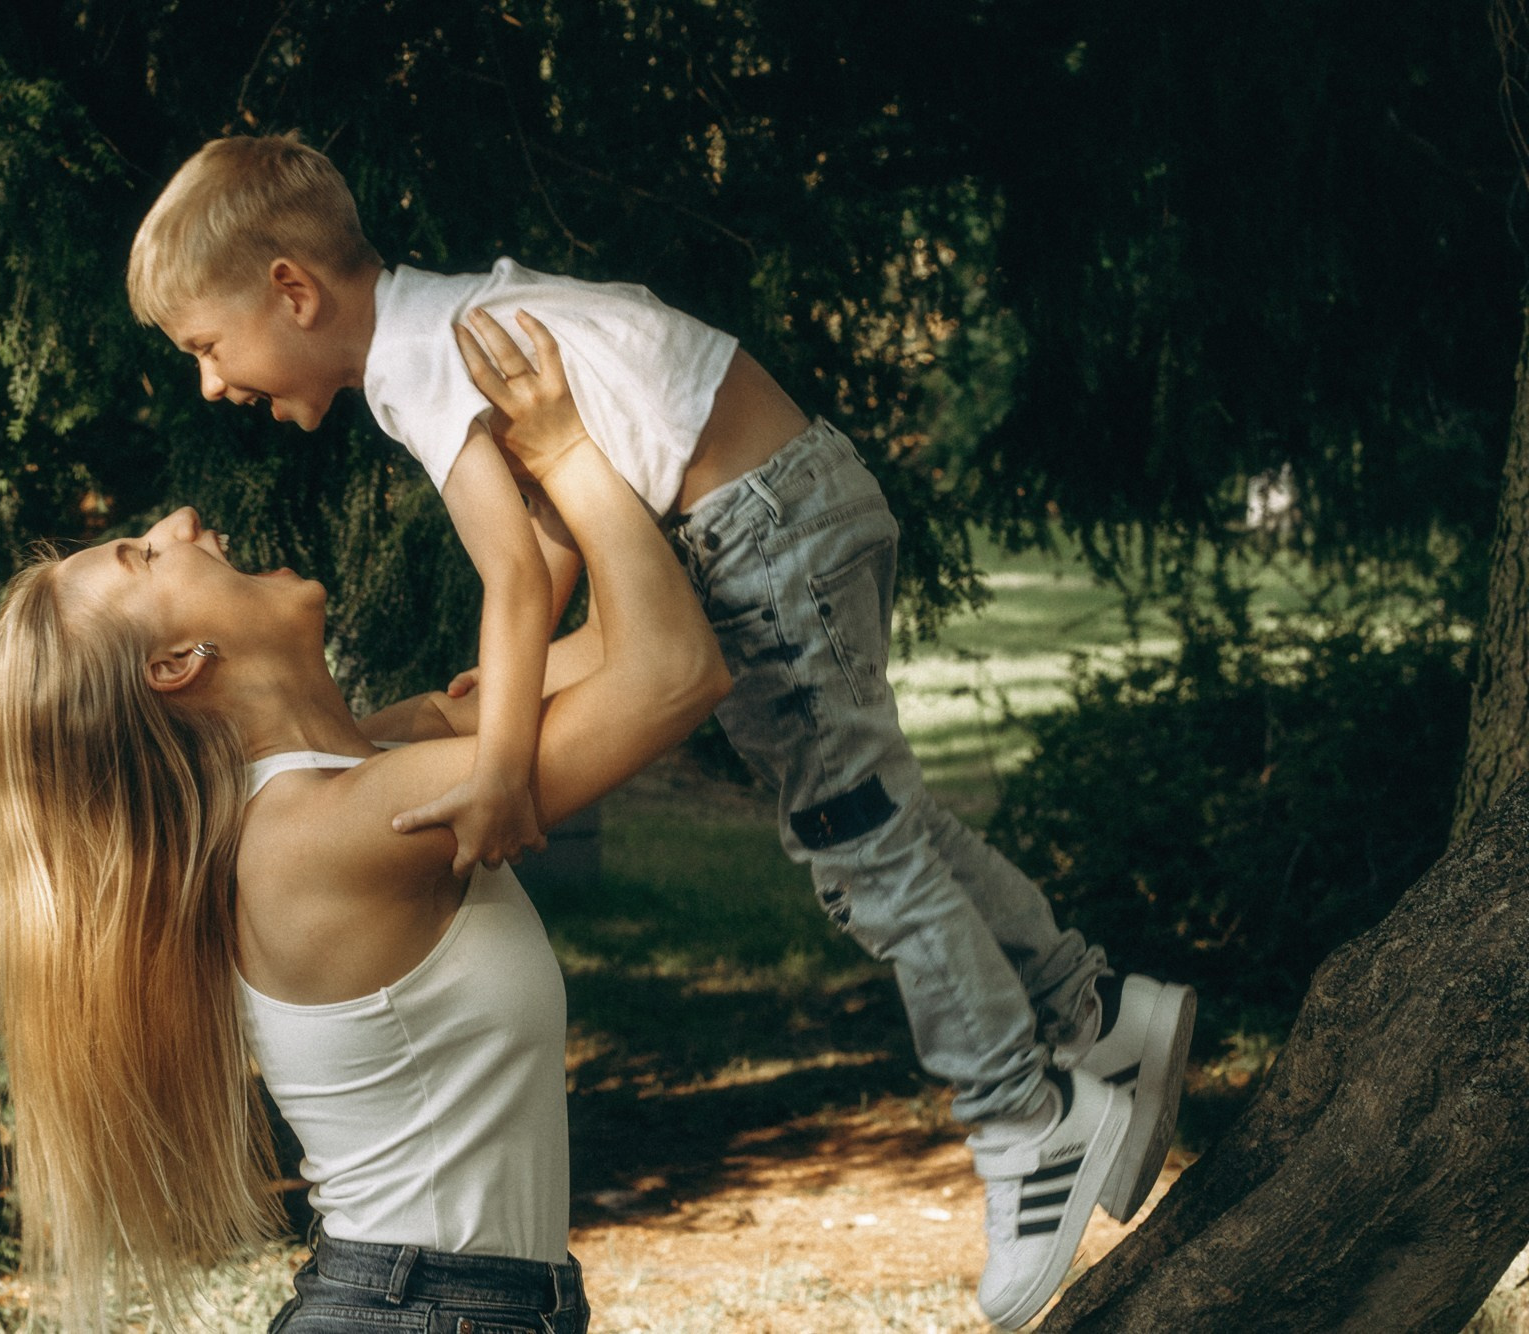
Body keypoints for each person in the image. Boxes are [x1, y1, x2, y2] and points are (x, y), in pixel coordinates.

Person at [124, 131, 1199, 1328]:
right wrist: (500, 689)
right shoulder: (447, 321)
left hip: (754, 532)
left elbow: (513, 576)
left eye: (204, 346)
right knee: (877, 825)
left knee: (859, 848)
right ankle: (1092, 1012)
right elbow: (546, 544)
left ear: (291, 289)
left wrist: (498, 769)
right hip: (788, 503)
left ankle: (1025, 1120)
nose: (210, 382)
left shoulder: (416, 365)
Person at [0, 314, 729, 1331]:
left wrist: (548, 460)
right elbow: (672, 672)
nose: (184, 519)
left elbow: (625, 643)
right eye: (145, 555)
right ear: (175, 664)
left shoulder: (359, 770)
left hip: (442, 1305)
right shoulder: (324, 833)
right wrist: (564, 453)